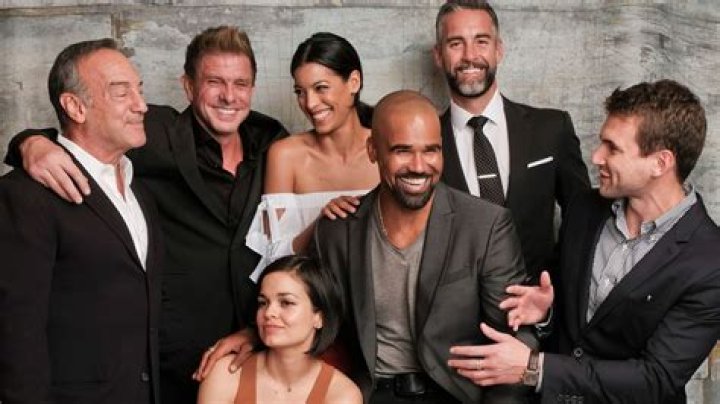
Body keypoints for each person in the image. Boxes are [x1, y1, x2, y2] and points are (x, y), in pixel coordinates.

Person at [4, 26, 288, 403]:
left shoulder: (275, 146)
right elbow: (15, 328)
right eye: (214, 82)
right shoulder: (152, 137)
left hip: (253, 357)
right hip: (167, 369)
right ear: (188, 86)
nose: (141, 105)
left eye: (241, 83)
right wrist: (30, 143)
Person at [447, 80, 720, 404]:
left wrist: (534, 368)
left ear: (660, 163)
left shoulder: (709, 262)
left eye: (612, 148)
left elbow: (655, 379)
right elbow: (575, 325)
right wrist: (547, 313)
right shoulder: (584, 209)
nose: (596, 156)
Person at [312, 90, 535, 403]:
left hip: (456, 396)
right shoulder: (338, 230)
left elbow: (514, 338)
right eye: (402, 151)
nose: (419, 166)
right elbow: (312, 321)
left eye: (431, 150)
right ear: (373, 150)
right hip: (371, 395)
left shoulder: (486, 226)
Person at [0, 39, 162, 404]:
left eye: (139, 90)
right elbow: (15, 330)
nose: (141, 105)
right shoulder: (24, 195)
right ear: (75, 106)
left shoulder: (139, 190)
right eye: (121, 93)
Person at [433, 0, 590, 281]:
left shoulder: (552, 128)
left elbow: (583, 218)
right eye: (456, 44)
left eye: (481, 41)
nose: (470, 56)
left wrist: (557, 286)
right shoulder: (424, 143)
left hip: (542, 300)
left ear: (499, 50)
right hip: (456, 305)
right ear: (438, 55)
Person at [245, 32, 378, 280]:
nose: (310, 103)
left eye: (321, 88)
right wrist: (322, 224)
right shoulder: (285, 156)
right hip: (309, 296)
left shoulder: (385, 147)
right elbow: (275, 259)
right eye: (300, 92)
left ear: (354, 82)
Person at [198, 255, 362, 403]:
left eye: (286, 303)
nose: (269, 312)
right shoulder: (225, 374)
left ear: (319, 317)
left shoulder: (343, 395)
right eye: (263, 303)